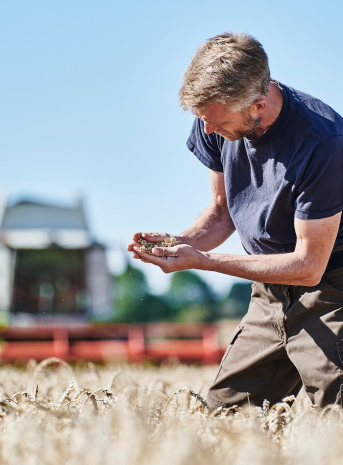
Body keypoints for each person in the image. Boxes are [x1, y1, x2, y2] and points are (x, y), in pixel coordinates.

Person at [127, 32, 343, 408]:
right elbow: (221, 210)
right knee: (225, 419)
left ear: (258, 104)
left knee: (335, 417)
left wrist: (205, 263)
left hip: (332, 288)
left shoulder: (324, 143)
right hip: (269, 289)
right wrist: (180, 245)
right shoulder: (214, 118)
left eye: (216, 122)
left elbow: (309, 267)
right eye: (202, 120)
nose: (208, 131)